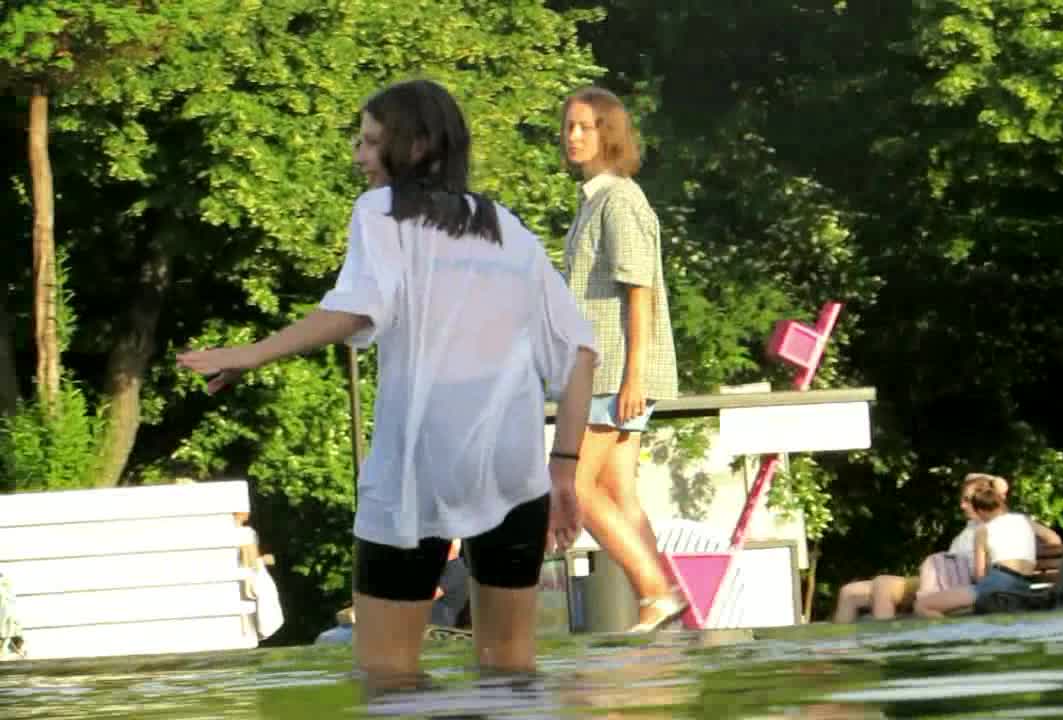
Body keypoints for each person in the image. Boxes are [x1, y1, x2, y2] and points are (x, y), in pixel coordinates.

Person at [177, 78, 598, 685]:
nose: (359, 156)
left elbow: (356, 309)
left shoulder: (381, 211)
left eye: (371, 141)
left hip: (416, 474)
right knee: (510, 676)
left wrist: (251, 354)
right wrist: (563, 469)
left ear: (418, 145)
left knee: (387, 678)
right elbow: (580, 353)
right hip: (513, 474)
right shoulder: (506, 228)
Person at [558, 86, 684, 633]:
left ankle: (654, 592)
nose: (574, 136)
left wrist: (634, 376)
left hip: (614, 370)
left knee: (575, 488)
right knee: (618, 492)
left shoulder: (620, 201)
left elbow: (640, 291)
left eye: (586, 126)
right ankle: (665, 603)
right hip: (604, 367)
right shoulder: (594, 200)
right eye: (569, 126)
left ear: (609, 134)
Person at [832, 473, 1059, 622]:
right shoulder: (987, 524)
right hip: (954, 578)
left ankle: (886, 647)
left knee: (885, 585)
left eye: (968, 500)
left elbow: (979, 576)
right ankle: (841, 649)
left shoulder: (990, 526)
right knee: (850, 592)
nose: (963, 505)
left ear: (984, 502)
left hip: (959, 581)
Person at [914, 476, 1039, 617]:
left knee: (922, 605)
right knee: (958, 607)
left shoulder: (982, 530)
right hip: (1023, 588)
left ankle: (950, 630)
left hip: (996, 587)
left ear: (980, 511)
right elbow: (1054, 540)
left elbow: (980, 576)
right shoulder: (1023, 520)